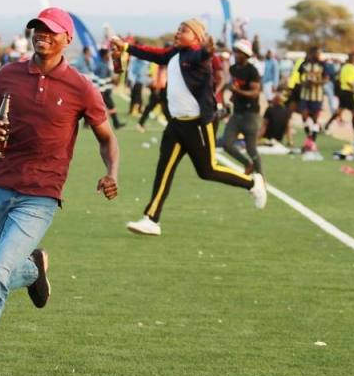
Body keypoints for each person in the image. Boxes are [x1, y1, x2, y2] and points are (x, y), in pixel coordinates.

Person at [0, 7, 119, 376]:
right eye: (37, 29)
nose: (42, 35)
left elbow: (107, 137)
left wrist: (112, 174)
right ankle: (34, 268)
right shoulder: (8, 75)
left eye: (51, 31)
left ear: (66, 39)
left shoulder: (81, 87)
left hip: (40, 195)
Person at [113, 19, 267, 237]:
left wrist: (207, 50)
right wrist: (126, 46)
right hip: (176, 124)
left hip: (198, 125)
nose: (178, 32)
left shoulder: (196, 56)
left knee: (207, 170)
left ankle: (252, 182)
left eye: (184, 30)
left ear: (196, 37)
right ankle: (151, 219)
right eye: (178, 28)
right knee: (163, 170)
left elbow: (202, 56)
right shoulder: (173, 53)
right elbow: (151, 53)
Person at [223, 39, 263, 175]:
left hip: (251, 115)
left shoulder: (252, 71)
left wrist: (237, 91)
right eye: (235, 51)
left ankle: (261, 177)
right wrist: (231, 99)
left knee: (251, 149)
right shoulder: (233, 69)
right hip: (237, 113)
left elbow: (255, 93)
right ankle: (247, 163)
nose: (235, 54)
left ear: (245, 54)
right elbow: (235, 88)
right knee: (226, 144)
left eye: (238, 52)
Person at [297, 46, 328, 154]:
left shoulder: (322, 65)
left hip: (317, 95)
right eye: (316, 53)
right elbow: (299, 76)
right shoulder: (304, 64)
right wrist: (303, 83)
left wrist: (317, 83)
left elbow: (326, 79)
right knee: (304, 117)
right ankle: (309, 137)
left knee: (315, 120)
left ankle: (312, 142)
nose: (317, 55)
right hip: (305, 95)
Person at [324, 52, 354, 135]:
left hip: (342, 91)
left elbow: (339, 78)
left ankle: (327, 125)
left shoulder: (344, 67)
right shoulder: (352, 68)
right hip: (348, 92)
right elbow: (349, 81)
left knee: (340, 110)